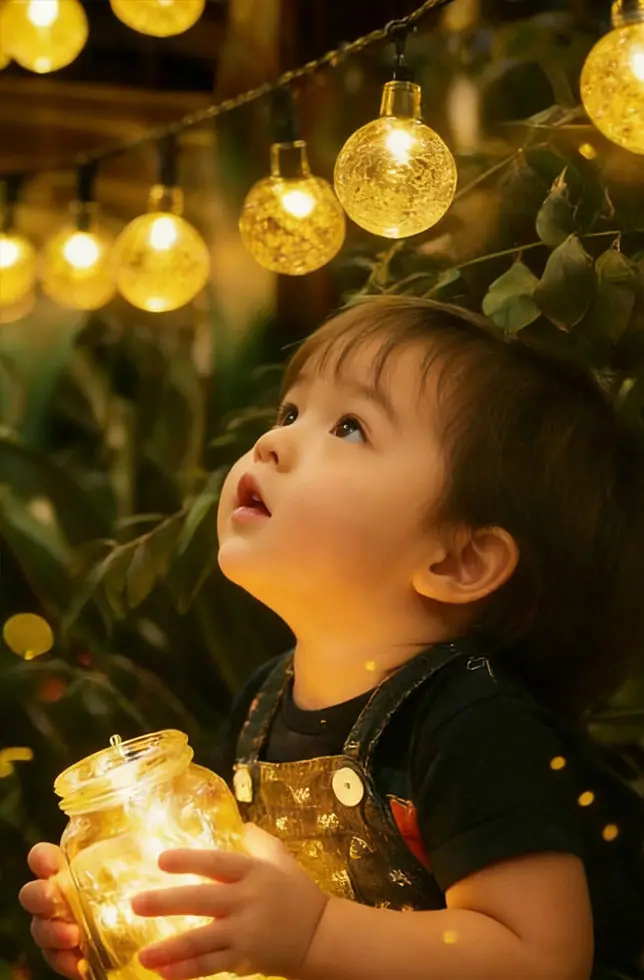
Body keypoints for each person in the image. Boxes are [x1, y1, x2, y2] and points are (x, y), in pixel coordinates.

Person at [19, 297, 644, 980]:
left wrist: (314, 933)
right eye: (290, 413)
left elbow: (542, 958)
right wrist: (138, 925)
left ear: (456, 562)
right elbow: (256, 924)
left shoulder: (475, 723)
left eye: (349, 428)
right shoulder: (264, 701)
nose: (273, 442)